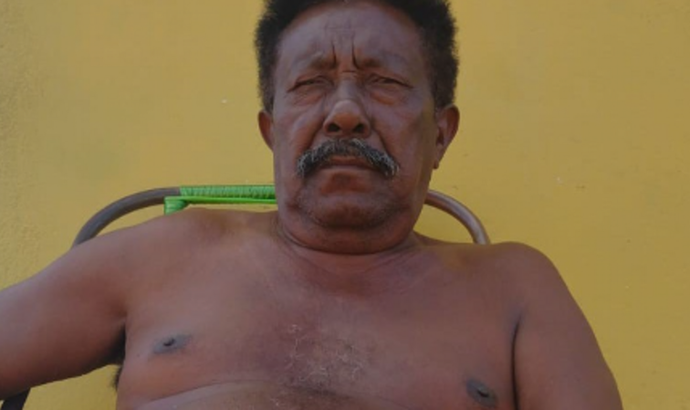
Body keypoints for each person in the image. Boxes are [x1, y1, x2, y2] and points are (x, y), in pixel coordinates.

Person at [0, 0, 623, 409]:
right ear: (272, 131)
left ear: (440, 133)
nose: (345, 113)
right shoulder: (161, 252)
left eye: (384, 82)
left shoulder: (515, 287)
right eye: (310, 83)